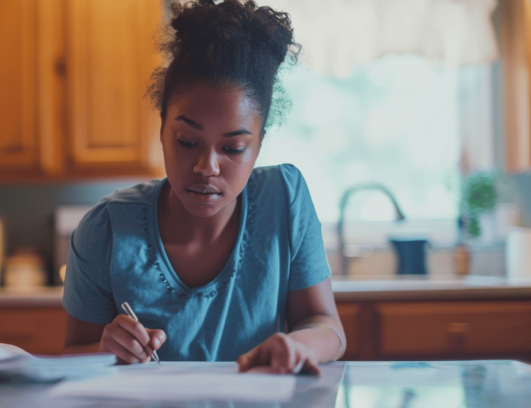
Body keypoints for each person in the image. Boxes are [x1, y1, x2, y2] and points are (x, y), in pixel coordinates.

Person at [60, 0, 344, 375]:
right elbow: (68, 356)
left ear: (258, 146)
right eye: (187, 141)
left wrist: (296, 345)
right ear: (162, 131)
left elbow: (327, 326)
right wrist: (103, 349)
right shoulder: (106, 230)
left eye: (233, 148)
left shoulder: (284, 199)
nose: (206, 167)